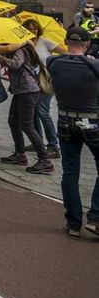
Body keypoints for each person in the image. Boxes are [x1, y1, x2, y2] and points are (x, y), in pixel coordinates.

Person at [46, 27, 99, 237]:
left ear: (67, 42)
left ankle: (74, 223)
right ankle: (95, 218)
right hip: (92, 122)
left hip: (65, 120)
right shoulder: (94, 65)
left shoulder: (54, 63)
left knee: (70, 172)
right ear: (87, 45)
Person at [0, 41, 53, 174]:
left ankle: (45, 160)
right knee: (13, 122)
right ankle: (20, 154)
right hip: (20, 90)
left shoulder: (21, 50)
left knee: (27, 125)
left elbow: (15, 65)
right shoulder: (20, 49)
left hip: (27, 90)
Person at [20, 18, 63, 159]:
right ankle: (37, 142)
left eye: (35, 28)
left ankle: (53, 146)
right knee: (33, 114)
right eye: (30, 28)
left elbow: (64, 52)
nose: (33, 31)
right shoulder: (23, 44)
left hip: (44, 82)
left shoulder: (44, 41)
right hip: (30, 83)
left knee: (43, 112)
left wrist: (53, 67)